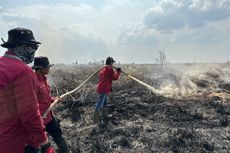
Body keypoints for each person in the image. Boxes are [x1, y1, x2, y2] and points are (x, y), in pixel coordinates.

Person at [0, 27, 54, 153]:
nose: (34, 51)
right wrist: (45, 144)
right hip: (16, 143)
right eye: (33, 47)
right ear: (22, 46)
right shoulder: (23, 71)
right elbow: (29, 114)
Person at [30, 56, 70, 153]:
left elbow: (46, 98)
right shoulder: (32, 81)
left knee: (59, 137)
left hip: (50, 117)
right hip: (40, 120)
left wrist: (55, 99)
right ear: (39, 68)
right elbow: (29, 103)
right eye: (47, 66)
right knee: (41, 145)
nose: (49, 68)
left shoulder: (44, 79)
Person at [94, 57, 121, 124]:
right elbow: (114, 77)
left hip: (101, 88)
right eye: (112, 62)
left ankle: (105, 116)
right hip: (103, 89)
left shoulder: (103, 69)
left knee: (105, 103)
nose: (113, 64)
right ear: (111, 62)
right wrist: (118, 72)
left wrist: (116, 71)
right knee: (100, 104)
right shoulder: (110, 69)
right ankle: (95, 120)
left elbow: (107, 77)